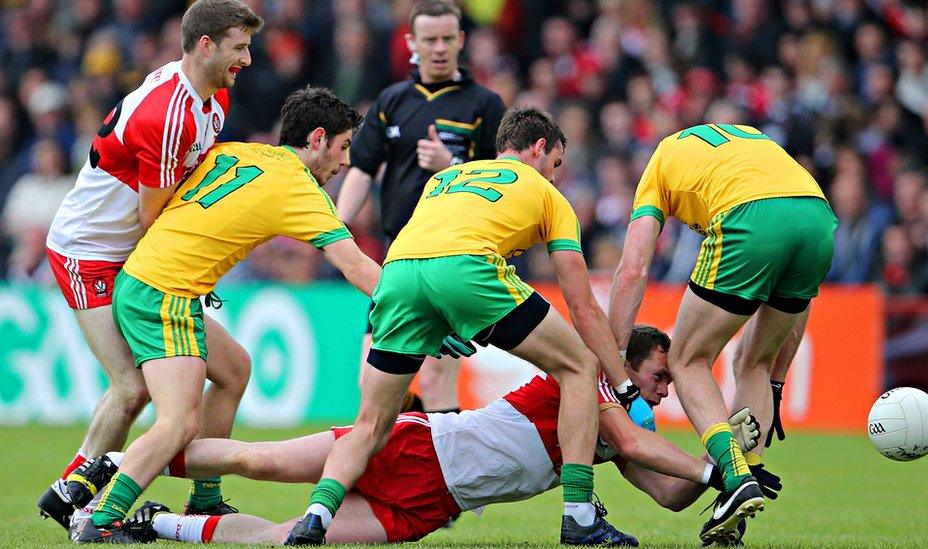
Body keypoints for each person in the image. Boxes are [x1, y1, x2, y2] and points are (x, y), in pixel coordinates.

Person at [287, 106, 643, 546]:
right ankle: (580, 514)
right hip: (466, 268)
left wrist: (441, 314)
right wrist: (625, 386)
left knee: (371, 424)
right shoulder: (550, 196)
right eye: (554, 164)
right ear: (538, 148)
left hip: (397, 272)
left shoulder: (446, 178)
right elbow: (582, 304)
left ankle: (318, 515)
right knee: (579, 368)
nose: (553, 176)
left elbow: (427, 238)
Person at [86, 326, 777, 546]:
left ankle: (152, 526)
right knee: (256, 458)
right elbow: (633, 446)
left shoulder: (627, 422)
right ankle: (109, 467)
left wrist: (726, 476)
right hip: (416, 444)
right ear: (628, 360)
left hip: (425, 507)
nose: (665, 391)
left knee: (289, 536)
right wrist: (721, 467)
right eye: (660, 377)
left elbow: (664, 493)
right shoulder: (591, 378)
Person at [68, 87, 382, 543]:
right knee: (179, 423)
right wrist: (412, 305)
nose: (346, 161)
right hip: (163, 293)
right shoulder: (298, 186)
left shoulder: (238, 151)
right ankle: (100, 517)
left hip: (147, 280)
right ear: (318, 138)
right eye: (344, 145)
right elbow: (355, 265)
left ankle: (204, 499)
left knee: (235, 369)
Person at [39, 0, 264, 530]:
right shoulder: (170, 115)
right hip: (89, 252)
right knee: (131, 387)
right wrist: (185, 272)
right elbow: (152, 216)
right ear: (205, 45)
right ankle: (83, 504)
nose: (248, 60)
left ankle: (200, 499)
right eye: (239, 47)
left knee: (232, 370)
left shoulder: (210, 98)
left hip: (135, 254)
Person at [607, 123, 836, 544]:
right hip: (818, 217)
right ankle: (738, 502)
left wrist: (613, 355)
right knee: (755, 362)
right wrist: (777, 383)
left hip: (749, 215)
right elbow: (801, 305)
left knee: (686, 359)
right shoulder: (746, 138)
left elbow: (634, 269)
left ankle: (734, 478)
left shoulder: (659, 164)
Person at [336, 0, 506, 415]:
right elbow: (361, 168)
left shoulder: (484, 105)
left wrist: (450, 167)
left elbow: (501, 183)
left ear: (461, 40)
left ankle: (438, 477)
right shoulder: (392, 101)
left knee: (435, 381)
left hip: (452, 257)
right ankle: (402, 462)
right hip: (396, 259)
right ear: (412, 42)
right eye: (430, 39)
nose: (440, 47)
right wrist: (335, 228)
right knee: (371, 383)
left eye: (448, 38)